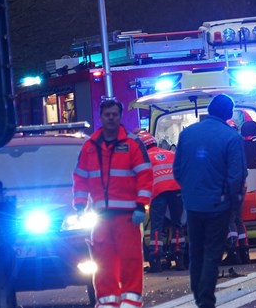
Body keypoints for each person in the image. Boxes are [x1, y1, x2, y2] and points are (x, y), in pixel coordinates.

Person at [72, 98, 152, 308]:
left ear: (120, 116)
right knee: (103, 261)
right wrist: (80, 204)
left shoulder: (132, 144)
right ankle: (107, 301)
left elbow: (145, 175)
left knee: (130, 259)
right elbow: (81, 178)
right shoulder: (90, 147)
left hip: (127, 215)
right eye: (107, 114)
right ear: (100, 117)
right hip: (101, 215)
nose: (111, 118)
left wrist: (140, 205)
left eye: (114, 114)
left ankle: (130, 300)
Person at [173, 94, 247, 308]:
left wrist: (189, 190)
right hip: (218, 204)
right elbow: (236, 176)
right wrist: (234, 203)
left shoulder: (187, 134)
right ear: (227, 112)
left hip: (193, 203)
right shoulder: (231, 137)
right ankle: (205, 299)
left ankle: (197, 292)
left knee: (196, 250)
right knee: (213, 252)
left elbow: (177, 169)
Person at [136, 129, 186, 273]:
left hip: (158, 193)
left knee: (156, 226)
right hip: (177, 190)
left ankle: (156, 260)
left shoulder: (144, 158)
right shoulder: (171, 153)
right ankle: (179, 257)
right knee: (177, 224)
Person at [222, 119, 251, 266]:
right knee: (238, 219)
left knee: (229, 219)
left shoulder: (228, 144)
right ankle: (244, 252)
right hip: (241, 185)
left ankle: (234, 252)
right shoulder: (239, 143)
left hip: (231, 186)